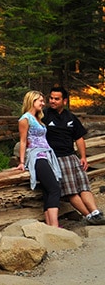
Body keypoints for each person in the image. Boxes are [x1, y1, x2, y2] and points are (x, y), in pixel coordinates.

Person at [43, 86, 105, 225]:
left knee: (84, 186)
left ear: (64, 101)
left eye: (56, 99)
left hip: (72, 157)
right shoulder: (44, 115)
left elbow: (79, 138)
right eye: (51, 98)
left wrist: (83, 157)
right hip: (57, 158)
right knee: (71, 191)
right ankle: (88, 216)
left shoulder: (70, 117)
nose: (52, 101)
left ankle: (96, 213)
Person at [17, 90, 62, 227]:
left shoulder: (38, 118)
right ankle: (55, 226)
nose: (43, 103)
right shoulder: (25, 119)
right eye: (40, 101)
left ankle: (50, 225)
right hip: (37, 156)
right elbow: (23, 141)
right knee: (55, 189)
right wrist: (22, 162)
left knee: (48, 190)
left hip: (47, 154)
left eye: (43, 101)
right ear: (32, 101)